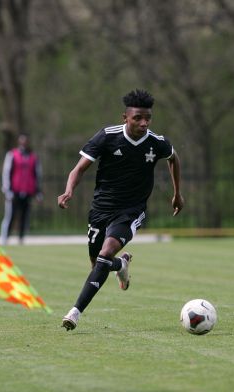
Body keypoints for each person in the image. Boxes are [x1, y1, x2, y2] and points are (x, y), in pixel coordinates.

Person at [58, 89, 184, 331]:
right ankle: (121, 265)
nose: (144, 123)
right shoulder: (107, 137)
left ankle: (74, 313)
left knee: (105, 254)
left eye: (148, 118)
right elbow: (79, 169)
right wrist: (69, 190)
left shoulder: (156, 142)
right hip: (100, 210)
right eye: (138, 118)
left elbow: (173, 158)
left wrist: (177, 193)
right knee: (99, 263)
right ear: (125, 117)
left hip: (131, 210)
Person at [0, 133, 43, 245]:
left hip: (28, 191)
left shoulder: (33, 157)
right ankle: (5, 238)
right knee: (10, 215)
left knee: (25, 216)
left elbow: (37, 175)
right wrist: (7, 190)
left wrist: (38, 192)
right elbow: (6, 172)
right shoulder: (12, 155)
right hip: (14, 191)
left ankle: (21, 239)